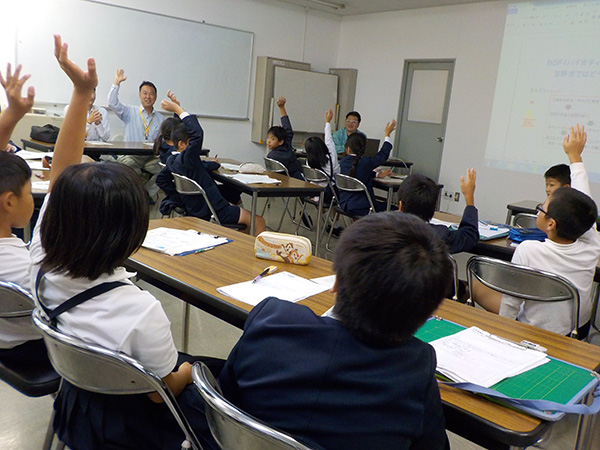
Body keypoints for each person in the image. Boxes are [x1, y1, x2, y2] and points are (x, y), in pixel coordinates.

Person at [30, 35, 220, 450]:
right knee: (214, 370)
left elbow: (62, 173)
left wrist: (81, 94)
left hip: (75, 407)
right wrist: (195, 369)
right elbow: (160, 389)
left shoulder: (40, 264)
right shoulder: (138, 310)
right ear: (132, 232)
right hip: (130, 430)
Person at [219, 212, 452, 450]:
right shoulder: (416, 367)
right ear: (425, 317)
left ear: (336, 282)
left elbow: (226, 401)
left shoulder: (270, 320)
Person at [474, 125, 600, 339]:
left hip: (531, 328)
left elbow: (511, 303)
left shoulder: (528, 249)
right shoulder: (592, 246)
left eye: (542, 206)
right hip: (574, 328)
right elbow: (585, 206)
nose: (539, 207)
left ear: (551, 224)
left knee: (477, 283)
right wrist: (575, 157)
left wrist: (502, 336)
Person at [157, 92, 264, 234]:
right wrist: (177, 109)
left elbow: (161, 179)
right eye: (190, 143)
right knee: (258, 221)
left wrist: (182, 199)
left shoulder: (171, 159)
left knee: (235, 201)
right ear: (182, 144)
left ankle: (240, 248)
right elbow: (197, 133)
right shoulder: (188, 158)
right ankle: (249, 254)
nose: (194, 146)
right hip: (214, 210)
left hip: (199, 208)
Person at [0, 62, 49, 365]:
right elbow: (60, 177)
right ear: (8, 201)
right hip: (35, 352)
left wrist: (11, 115)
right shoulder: (28, 266)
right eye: (29, 192)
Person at [108, 68, 165, 199]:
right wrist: (116, 84)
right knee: (130, 168)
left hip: (150, 157)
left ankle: (146, 195)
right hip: (131, 155)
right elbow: (112, 103)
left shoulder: (160, 119)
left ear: (155, 97)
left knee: (166, 169)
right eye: (145, 93)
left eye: (151, 94)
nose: (148, 97)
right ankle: (134, 197)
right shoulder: (129, 111)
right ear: (139, 95)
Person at [396, 170, 479, 253]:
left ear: (400, 206)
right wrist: (469, 198)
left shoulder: (385, 230)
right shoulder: (438, 235)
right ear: (433, 208)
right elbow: (469, 235)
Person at [338, 120, 396, 217]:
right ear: (364, 149)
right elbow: (382, 155)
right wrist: (387, 135)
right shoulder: (366, 162)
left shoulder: (343, 162)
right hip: (363, 207)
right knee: (394, 208)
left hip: (345, 204)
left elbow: (357, 172)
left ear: (348, 149)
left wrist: (376, 174)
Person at [266, 96, 303, 180]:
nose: (269, 141)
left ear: (280, 142)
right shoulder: (287, 145)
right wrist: (282, 108)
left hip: (287, 182)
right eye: (268, 138)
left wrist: (281, 107)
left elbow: (287, 129)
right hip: (296, 179)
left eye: (273, 139)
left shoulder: (272, 156)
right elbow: (287, 128)